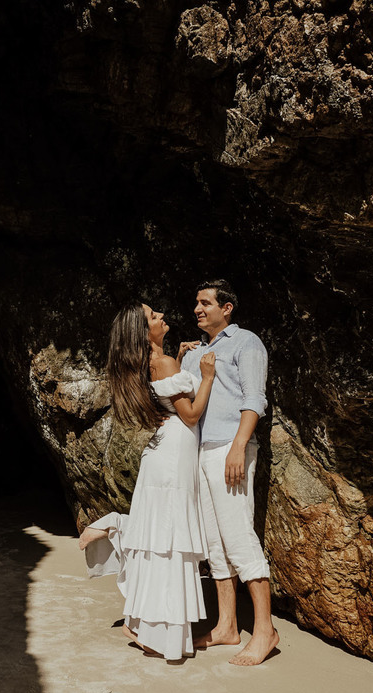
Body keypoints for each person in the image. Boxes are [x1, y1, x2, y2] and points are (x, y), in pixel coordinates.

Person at [78, 302, 216, 661]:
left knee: (162, 539)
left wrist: (180, 361)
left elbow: (168, 394)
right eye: (154, 317)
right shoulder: (164, 364)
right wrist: (207, 376)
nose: (161, 317)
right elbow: (191, 415)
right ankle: (116, 530)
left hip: (163, 452)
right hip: (175, 451)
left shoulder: (153, 363)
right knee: (169, 540)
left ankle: (141, 622)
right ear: (144, 332)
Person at [179, 279, 279, 666]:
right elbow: (182, 394)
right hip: (200, 452)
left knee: (238, 535)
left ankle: (266, 631)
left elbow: (255, 398)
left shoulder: (246, 342)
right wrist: (180, 352)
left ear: (228, 308)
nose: (198, 309)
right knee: (214, 542)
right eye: (196, 303)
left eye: (205, 303)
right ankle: (227, 627)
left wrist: (239, 445)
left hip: (230, 449)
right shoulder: (194, 354)